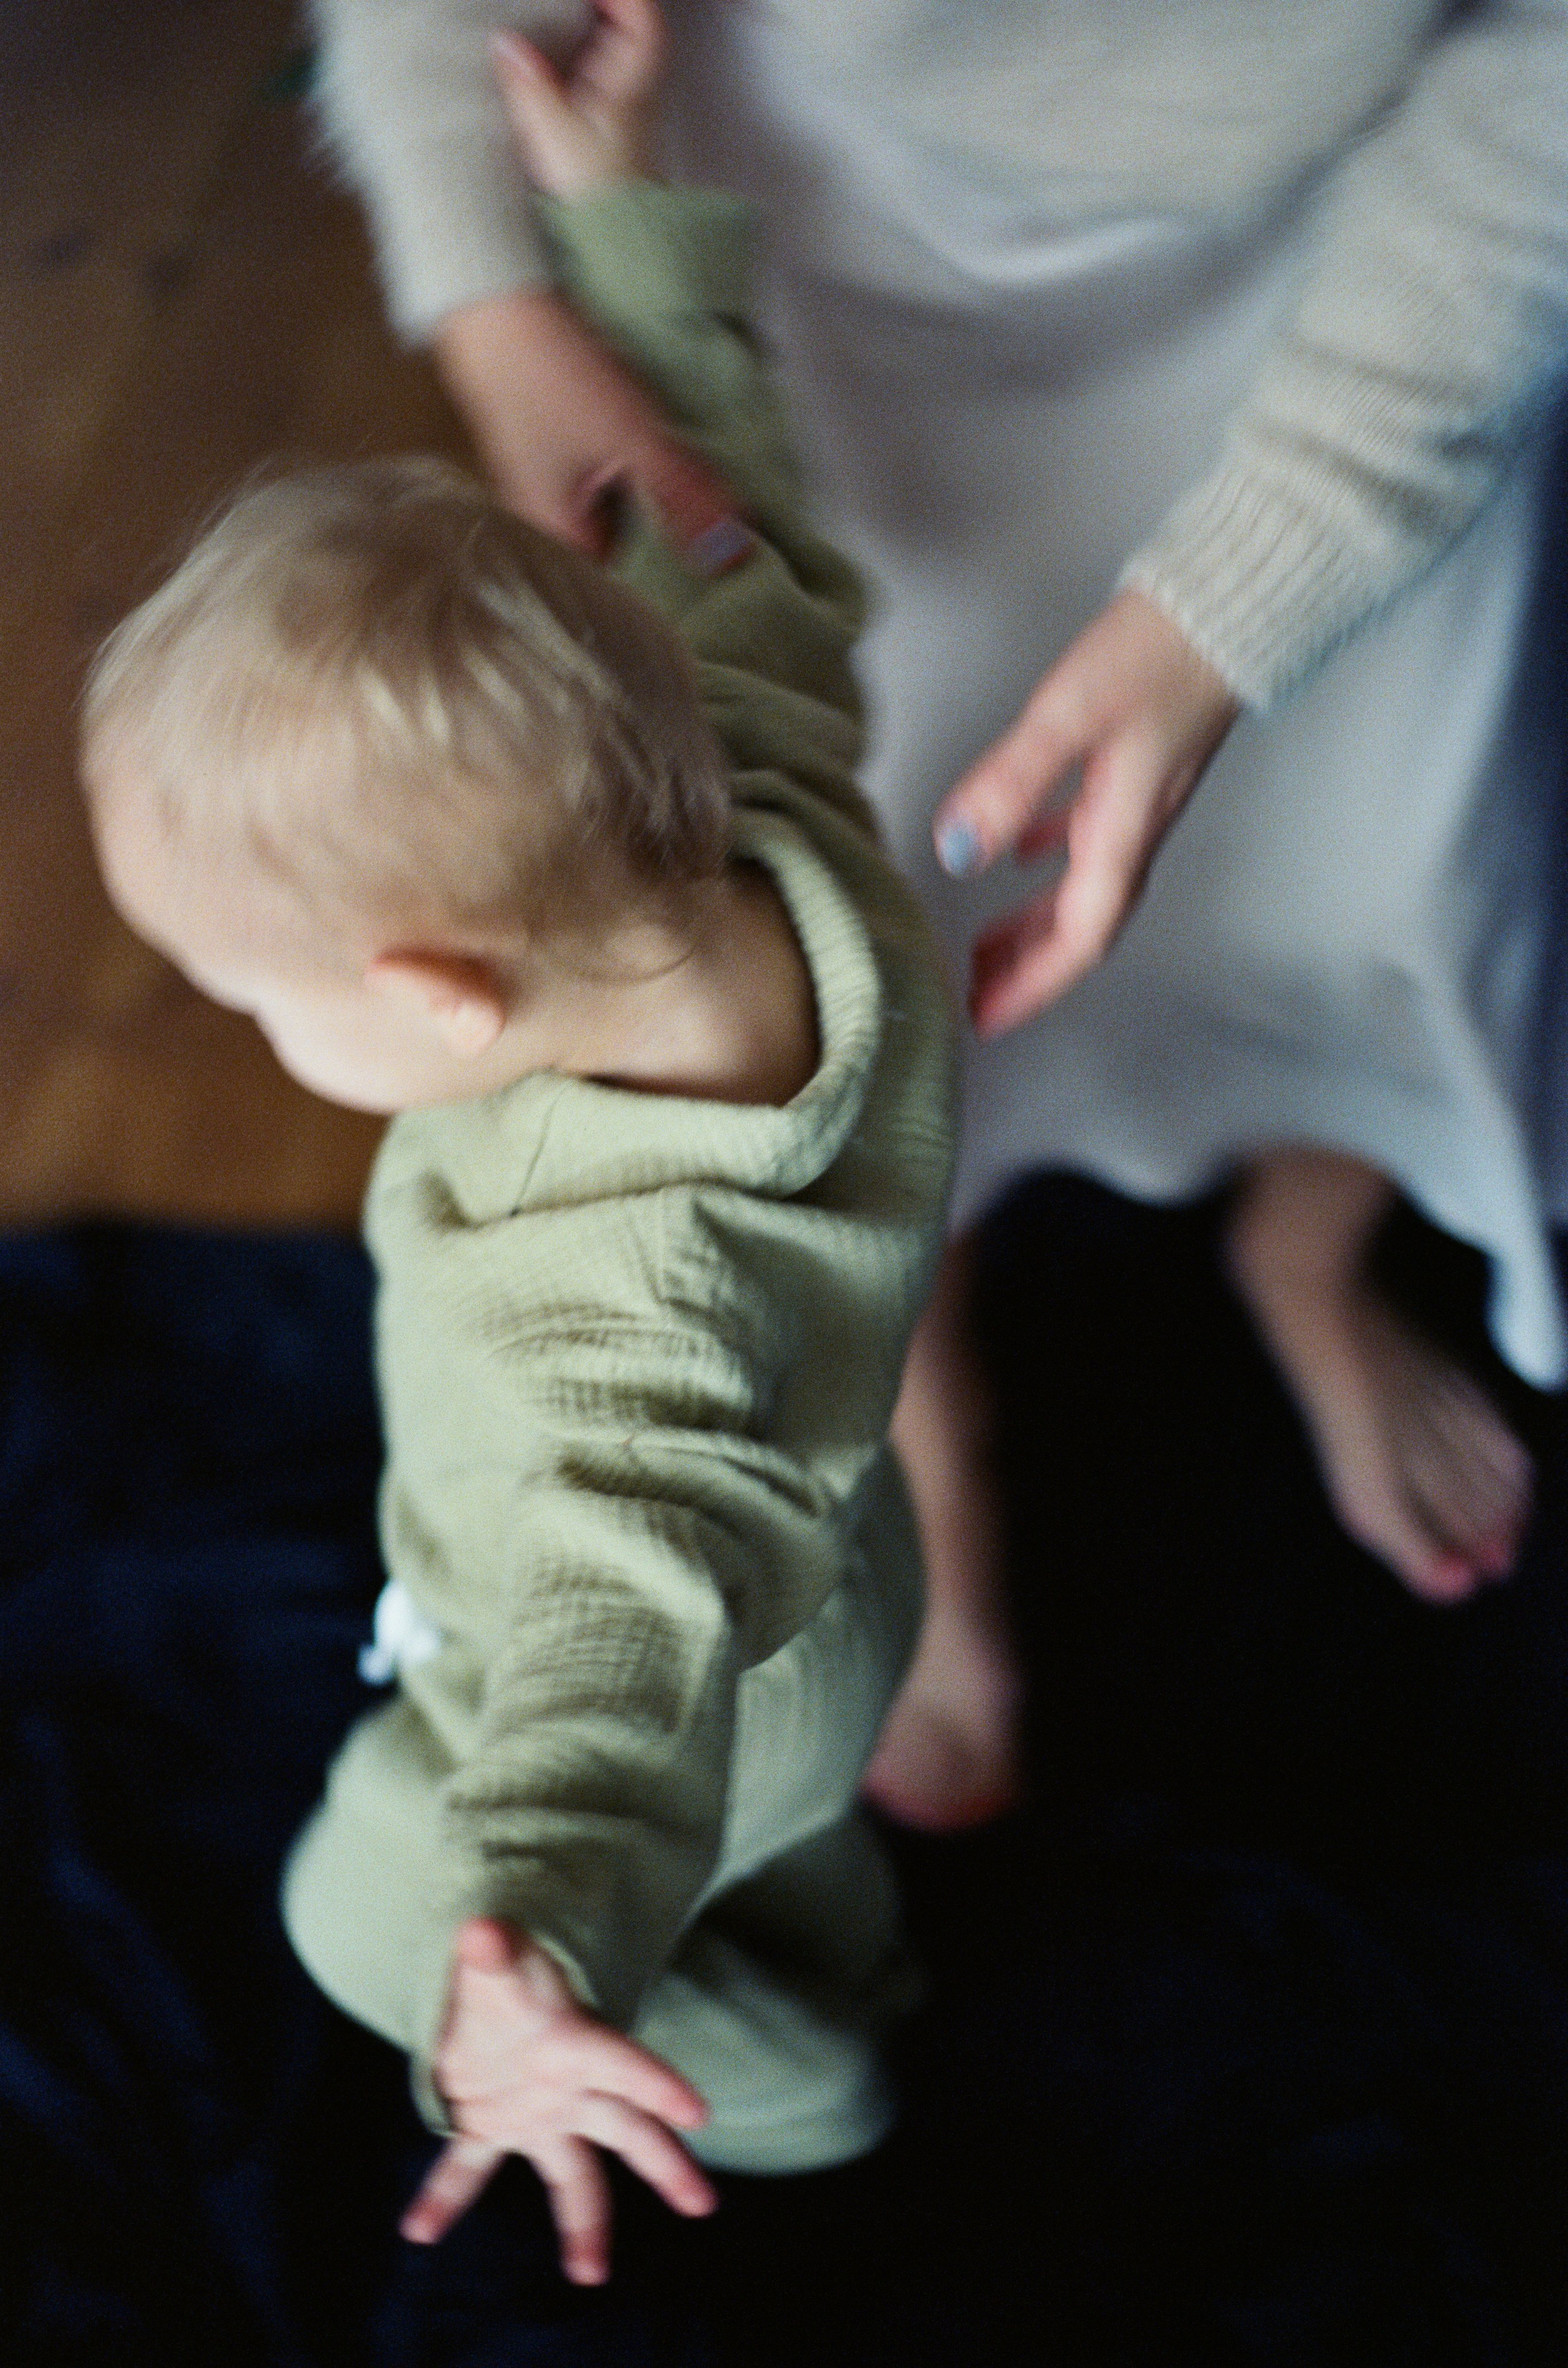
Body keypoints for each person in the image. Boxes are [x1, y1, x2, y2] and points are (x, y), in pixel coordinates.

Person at [307, 0, 1568, 1828]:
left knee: (1415, 872)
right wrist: (513, 302)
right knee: (877, 950)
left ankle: (1310, 1247)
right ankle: (919, 1395)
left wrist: (1234, 604)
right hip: (824, 240)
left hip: (1372, 262)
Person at [78, 0, 957, 2283]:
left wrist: (528, 1937)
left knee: (348, 1912)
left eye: (250, 992)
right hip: (833, 1591)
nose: (243, 1024)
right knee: (780, 1815)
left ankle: (781, 2079)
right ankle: (823, 1917)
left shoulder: (634, 1318)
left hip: (633, 1676)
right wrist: (623, 233)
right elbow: (720, 486)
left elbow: (610, 1634)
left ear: (441, 1008)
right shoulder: (741, 752)